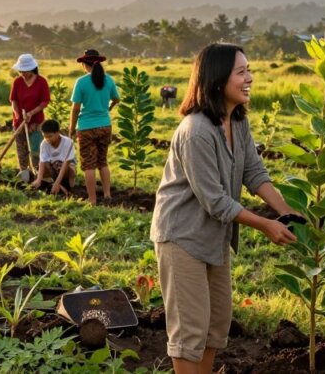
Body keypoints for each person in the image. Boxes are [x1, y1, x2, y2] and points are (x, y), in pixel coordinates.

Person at [150, 43, 298, 374]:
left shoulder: (237, 121)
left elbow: (254, 173)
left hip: (214, 238)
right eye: (241, 72)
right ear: (217, 79)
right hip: (182, 237)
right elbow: (214, 200)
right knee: (191, 329)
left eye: (249, 70)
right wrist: (267, 225)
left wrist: (286, 211)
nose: (250, 78)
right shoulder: (196, 131)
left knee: (216, 324)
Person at [68, 49, 120, 205]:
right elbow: (116, 99)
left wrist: (71, 128)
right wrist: (108, 109)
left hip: (86, 127)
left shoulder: (81, 82)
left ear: (85, 64)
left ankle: (92, 200)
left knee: (89, 164)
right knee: (102, 162)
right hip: (105, 125)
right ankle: (107, 194)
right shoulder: (109, 80)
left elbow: (76, 108)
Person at [9, 53, 50, 173]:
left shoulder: (41, 81)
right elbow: (13, 100)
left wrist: (31, 113)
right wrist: (18, 115)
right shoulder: (17, 82)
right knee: (22, 151)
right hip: (19, 122)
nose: (23, 73)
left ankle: (38, 173)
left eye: (26, 71)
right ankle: (24, 173)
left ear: (32, 68)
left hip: (36, 122)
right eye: (21, 71)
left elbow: (44, 102)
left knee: (36, 150)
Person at [29, 119, 76, 195]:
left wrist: (57, 183)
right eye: (45, 136)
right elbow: (42, 162)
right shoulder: (44, 144)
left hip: (66, 167)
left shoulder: (68, 142)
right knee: (40, 171)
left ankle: (66, 186)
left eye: (50, 136)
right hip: (53, 166)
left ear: (57, 133)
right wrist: (39, 179)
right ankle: (55, 185)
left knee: (63, 168)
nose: (47, 139)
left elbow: (66, 164)